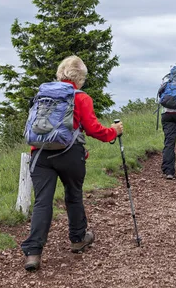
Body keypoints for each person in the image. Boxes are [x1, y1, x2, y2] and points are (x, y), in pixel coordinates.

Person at [22, 55, 123, 271]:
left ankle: (33, 253)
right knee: (73, 196)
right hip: (70, 153)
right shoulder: (81, 97)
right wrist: (112, 132)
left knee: (42, 202)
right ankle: (78, 239)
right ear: (80, 77)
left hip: (39, 154)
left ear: (60, 73)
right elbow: (94, 129)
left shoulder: (43, 95)